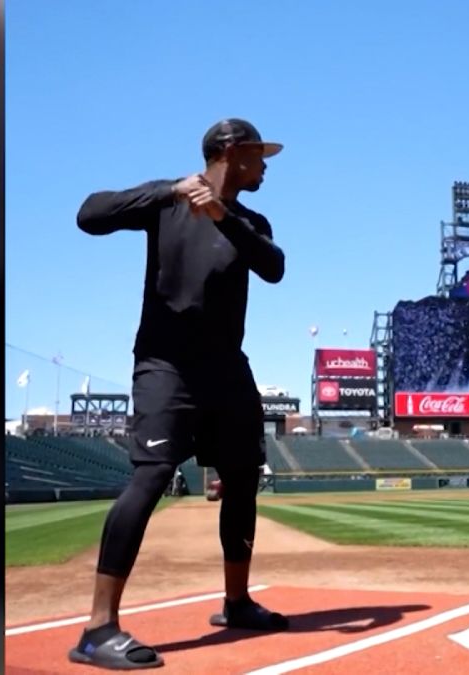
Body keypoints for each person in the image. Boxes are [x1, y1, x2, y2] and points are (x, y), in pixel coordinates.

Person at [69, 119, 289, 670]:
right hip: (167, 366)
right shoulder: (165, 203)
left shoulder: (249, 220)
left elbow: (274, 267)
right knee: (149, 475)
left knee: (241, 479)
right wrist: (169, 190)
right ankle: (97, 630)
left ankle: (236, 603)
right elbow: (89, 214)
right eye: (259, 156)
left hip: (227, 370)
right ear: (232, 154)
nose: (265, 166)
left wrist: (222, 216)